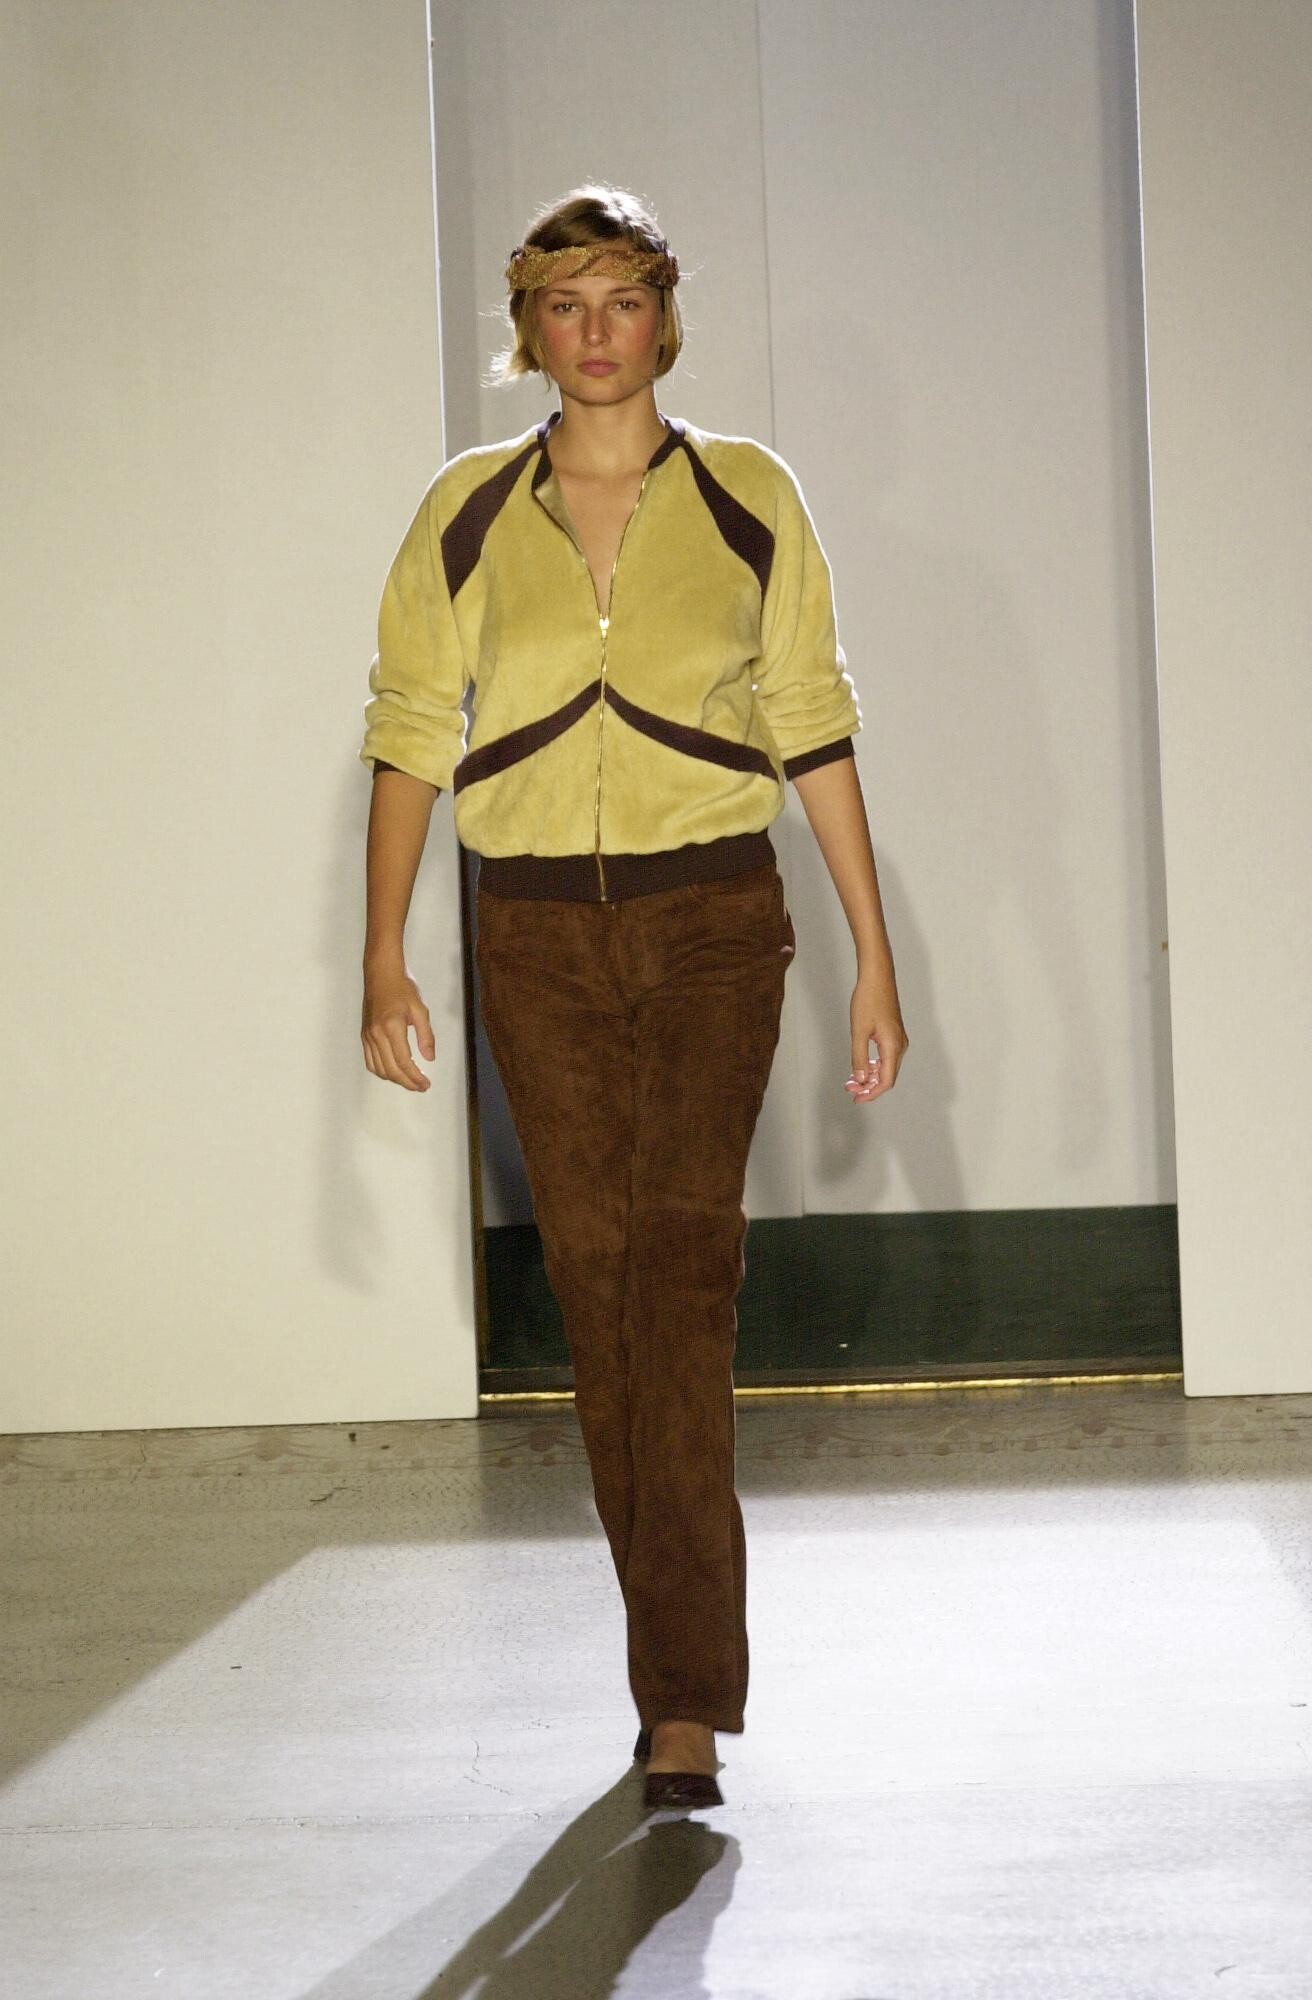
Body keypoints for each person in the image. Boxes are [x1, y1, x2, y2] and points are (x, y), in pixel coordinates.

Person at [358, 184, 908, 1810]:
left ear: (665, 320)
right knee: (598, 1289)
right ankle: (671, 1668)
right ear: (529, 331)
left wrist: (875, 950)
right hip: (533, 935)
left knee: (680, 1272)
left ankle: (681, 1702)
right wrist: (380, 950)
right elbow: (410, 728)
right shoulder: (465, 511)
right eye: (565, 304)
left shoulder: (750, 497)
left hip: (713, 922)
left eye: (622, 301)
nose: (595, 332)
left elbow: (811, 716)